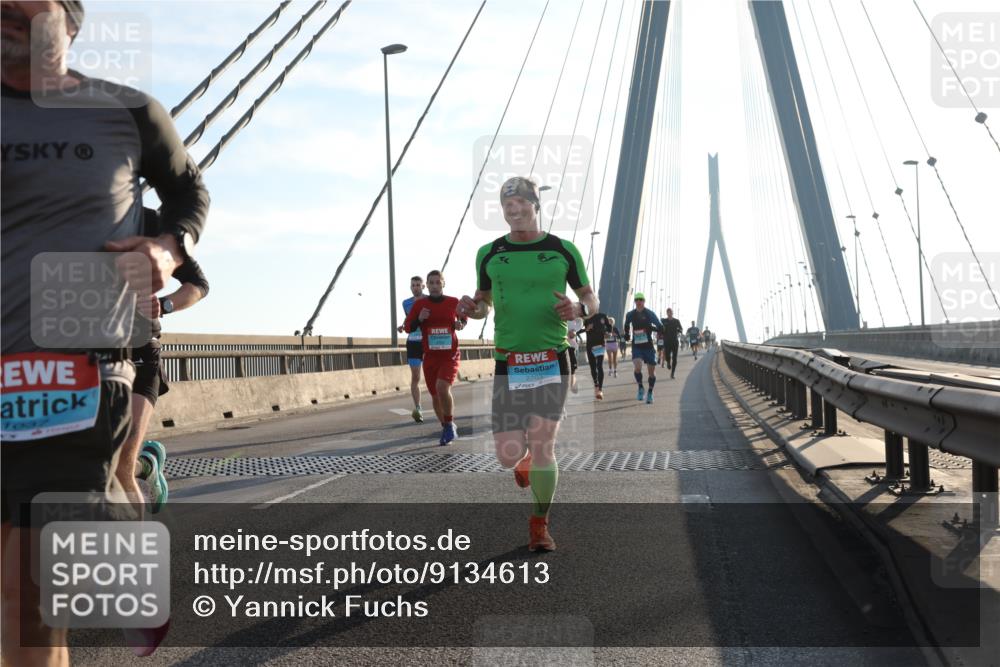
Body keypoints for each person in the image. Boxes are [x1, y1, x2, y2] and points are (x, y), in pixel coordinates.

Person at [2, 2, 210, 662]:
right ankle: (125, 568)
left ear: (69, 24)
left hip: (72, 368)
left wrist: (168, 252)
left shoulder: (128, 111)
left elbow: (188, 195)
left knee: (25, 590)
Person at [458, 176, 597, 552]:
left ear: (536, 206)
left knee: (543, 444)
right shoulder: (489, 252)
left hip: (552, 359)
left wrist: (579, 309)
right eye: (507, 206)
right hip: (509, 362)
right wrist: (472, 309)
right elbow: (484, 301)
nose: (514, 211)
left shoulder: (562, 250)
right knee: (507, 456)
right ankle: (525, 464)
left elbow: (590, 298)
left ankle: (539, 524)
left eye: (521, 204)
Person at [114, 208, 209, 516]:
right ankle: (148, 464)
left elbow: (198, 284)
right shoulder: (49, 216)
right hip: (81, 355)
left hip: (139, 352)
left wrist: (163, 304)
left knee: (119, 469)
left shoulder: (147, 222)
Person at [403, 270, 467, 445]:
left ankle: (448, 424)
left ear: (443, 284)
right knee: (435, 396)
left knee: (442, 387)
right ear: (427, 285)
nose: (434, 285)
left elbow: (463, 318)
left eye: (438, 282)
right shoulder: (419, 305)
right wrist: (420, 320)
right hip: (430, 356)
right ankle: (447, 425)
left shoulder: (453, 302)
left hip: (450, 355)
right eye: (431, 282)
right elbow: (408, 327)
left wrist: (460, 324)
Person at [623, 293, 663, 404]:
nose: (639, 301)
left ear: (644, 301)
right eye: (637, 300)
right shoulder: (630, 314)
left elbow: (659, 325)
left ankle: (650, 392)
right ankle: (640, 388)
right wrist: (626, 334)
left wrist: (659, 329)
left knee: (651, 372)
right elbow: (626, 324)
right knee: (638, 367)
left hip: (648, 346)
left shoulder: (649, 313)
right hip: (637, 345)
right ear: (635, 302)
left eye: (641, 299)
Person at [397, 276, 427, 422]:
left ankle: (440, 404)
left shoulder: (429, 300)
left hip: (428, 342)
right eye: (413, 285)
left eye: (418, 285)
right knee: (416, 377)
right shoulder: (406, 303)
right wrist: (403, 326)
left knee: (432, 375)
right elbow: (409, 318)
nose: (415, 287)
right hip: (413, 342)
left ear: (423, 287)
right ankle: (418, 408)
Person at [583, 311, 613, 399]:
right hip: (590, 346)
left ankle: (600, 389)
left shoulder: (603, 316)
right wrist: (586, 328)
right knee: (593, 367)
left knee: (599, 366)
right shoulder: (586, 318)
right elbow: (580, 330)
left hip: (600, 344)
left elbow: (609, 326)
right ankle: (596, 384)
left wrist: (609, 333)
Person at [660, 308, 683, 379]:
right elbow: (660, 328)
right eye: (668, 312)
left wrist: (679, 330)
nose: (670, 313)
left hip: (675, 341)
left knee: (675, 358)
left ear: (672, 313)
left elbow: (681, 329)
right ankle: (668, 363)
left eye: (671, 312)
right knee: (667, 356)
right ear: (667, 313)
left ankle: (672, 373)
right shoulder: (664, 321)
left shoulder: (676, 321)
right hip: (667, 341)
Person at [566, 316, 584, 394]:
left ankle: (573, 383)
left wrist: (573, 332)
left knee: (572, 370)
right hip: (560, 348)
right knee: (565, 371)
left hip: (571, 348)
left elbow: (580, 322)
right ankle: (572, 384)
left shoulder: (572, 321)